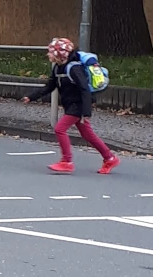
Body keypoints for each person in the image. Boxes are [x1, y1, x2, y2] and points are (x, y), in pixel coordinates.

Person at [23, 37, 119, 174]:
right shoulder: (57, 68)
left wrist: (86, 113)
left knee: (59, 129)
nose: (48, 55)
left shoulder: (74, 68)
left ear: (59, 54)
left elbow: (85, 89)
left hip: (78, 105)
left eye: (51, 52)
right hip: (70, 104)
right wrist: (31, 97)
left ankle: (66, 161)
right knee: (88, 135)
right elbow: (49, 86)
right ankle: (110, 158)